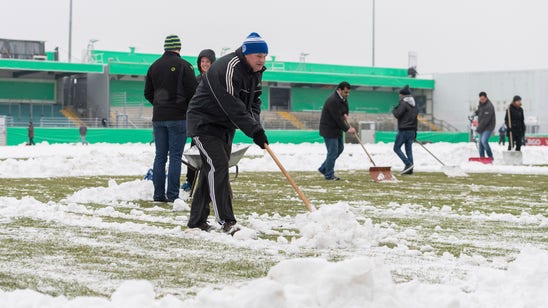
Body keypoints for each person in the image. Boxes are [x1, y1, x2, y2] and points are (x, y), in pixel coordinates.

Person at [186, 32, 269, 234]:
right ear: (247, 54)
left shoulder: (255, 71)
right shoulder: (228, 68)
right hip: (204, 122)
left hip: (225, 125)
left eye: (264, 56)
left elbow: (254, 103)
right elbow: (231, 104)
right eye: (258, 56)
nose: (262, 60)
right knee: (218, 165)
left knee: (210, 170)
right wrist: (253, 130)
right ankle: (226, 221)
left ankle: (197, 220)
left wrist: (256, 127)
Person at [144, 34, 198, 202]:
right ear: (179, 48)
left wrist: (160, 105)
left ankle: (158, 195)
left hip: (159, 118)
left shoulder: (154, 66)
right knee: (175, 156)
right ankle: (172, 195)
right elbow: (194, 93)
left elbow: (148, 93)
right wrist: (182, 107)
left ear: (165, 47)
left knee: (160, 156)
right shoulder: (185, 66)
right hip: (178, 118)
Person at [182, 48, 216, 192]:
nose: (204, 64)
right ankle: (190, 181)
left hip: (212, 123)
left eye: (207, 61)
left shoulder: (216, 79)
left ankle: (212, 182)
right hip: (198, 123)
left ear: (212, 63)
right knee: (194, 152)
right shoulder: (196, 80)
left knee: (213, 155)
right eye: (202, 61)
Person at [318, 81, 356, 180]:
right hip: (329, 129)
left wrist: (345, 114)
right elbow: (337, 118)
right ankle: (329, 175)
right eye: (345, 92)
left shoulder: (343, 98)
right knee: (333, 151)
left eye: (348, 92)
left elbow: (344, 110)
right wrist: (348, 129)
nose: (347, 94)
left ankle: (323, 168)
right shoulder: (333, 100)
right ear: (339, 90)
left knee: (340, 149)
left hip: (336, 129)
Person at [392, 85, 418, 175]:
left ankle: (408, 164)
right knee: (408, 150)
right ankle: (410, 170)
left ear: (403, 95)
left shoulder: (403, 103)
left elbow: (397, 114)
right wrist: (415, 133)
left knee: (396, 148)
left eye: (400, 94)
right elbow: (416, 120)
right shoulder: (414, 105)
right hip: (412, 131)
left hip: (404, 130)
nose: (399, 96)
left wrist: (394, 109)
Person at [475, 91, 496, 160]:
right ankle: (482, 157)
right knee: (480, 143)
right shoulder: (481, 104)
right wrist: (475, 113)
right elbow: (480, 111)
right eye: (481, 99)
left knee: (484, 141)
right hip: (482, 127)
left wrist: (478, 129)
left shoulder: (489, 106)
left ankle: (490, 157)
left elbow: (485, 120)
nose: (482, 100)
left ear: (486, 98)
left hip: (488, 127)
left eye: (483, 99)